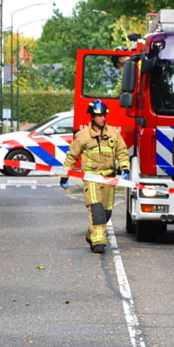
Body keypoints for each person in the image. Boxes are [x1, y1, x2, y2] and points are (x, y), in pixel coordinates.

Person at [60, 100, 130, 254]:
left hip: (109, 177)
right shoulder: (83, 136)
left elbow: (122, 152)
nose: (103, 118)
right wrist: (65, 176)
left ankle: (91, 234)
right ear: (92, 117)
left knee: (106, 211)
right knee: (96, 208)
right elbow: (71, 156)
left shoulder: (113, 133)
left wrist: (125, 167)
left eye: (104, 115)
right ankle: (98, 242)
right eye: (99, 116)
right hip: (91, 177)